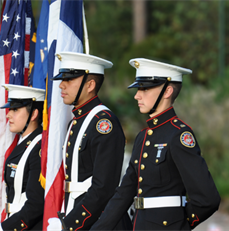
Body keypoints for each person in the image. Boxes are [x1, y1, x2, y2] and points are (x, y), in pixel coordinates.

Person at [90, 58, 221, 231]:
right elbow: (124, 194)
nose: (137, 95)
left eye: (145, 89)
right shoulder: (143, 137)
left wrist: (178, 223)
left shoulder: (179, 135)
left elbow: (208, 199)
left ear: (167, 91)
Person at [49, 52, 132, 231]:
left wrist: (70, 223)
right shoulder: (76, 122)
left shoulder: (103, 123)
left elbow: (104, 188)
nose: (61, 85)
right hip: (79, 215)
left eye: (69, 80)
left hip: (98, 221)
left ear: (90, 85)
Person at [0, 84, 45, 231]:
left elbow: (36, 203)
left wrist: (5, 228)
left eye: (15, 110)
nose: (8, 114)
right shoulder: (23, 142)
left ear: (34, 114)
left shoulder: (39, 147)